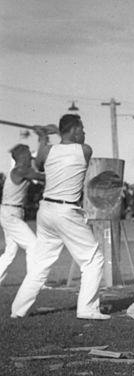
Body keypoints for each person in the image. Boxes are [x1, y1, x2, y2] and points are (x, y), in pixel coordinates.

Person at [11, 113, 108, 320]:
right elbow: (71, 144)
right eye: (81, 129)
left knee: (40, 264)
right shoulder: (84, 150)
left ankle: (17, 311)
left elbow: (38, 163)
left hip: (46, 211)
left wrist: (44, 136)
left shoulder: (47, 151)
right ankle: (87, 309)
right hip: (66, 212)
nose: (84, 133)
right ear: (73, 130)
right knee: (93, 259)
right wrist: (52, 131)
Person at [0, 142, 45, 285]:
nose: (30, 156)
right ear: (21, 156)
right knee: (33, 245)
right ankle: (34, 282)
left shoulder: (24, 169)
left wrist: (42, 139)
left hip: (13, 212)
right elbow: (41, 176)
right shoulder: (21, 170)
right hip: (11, 213)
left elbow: (37, 166)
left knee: (10, 252)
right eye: (28, 154)